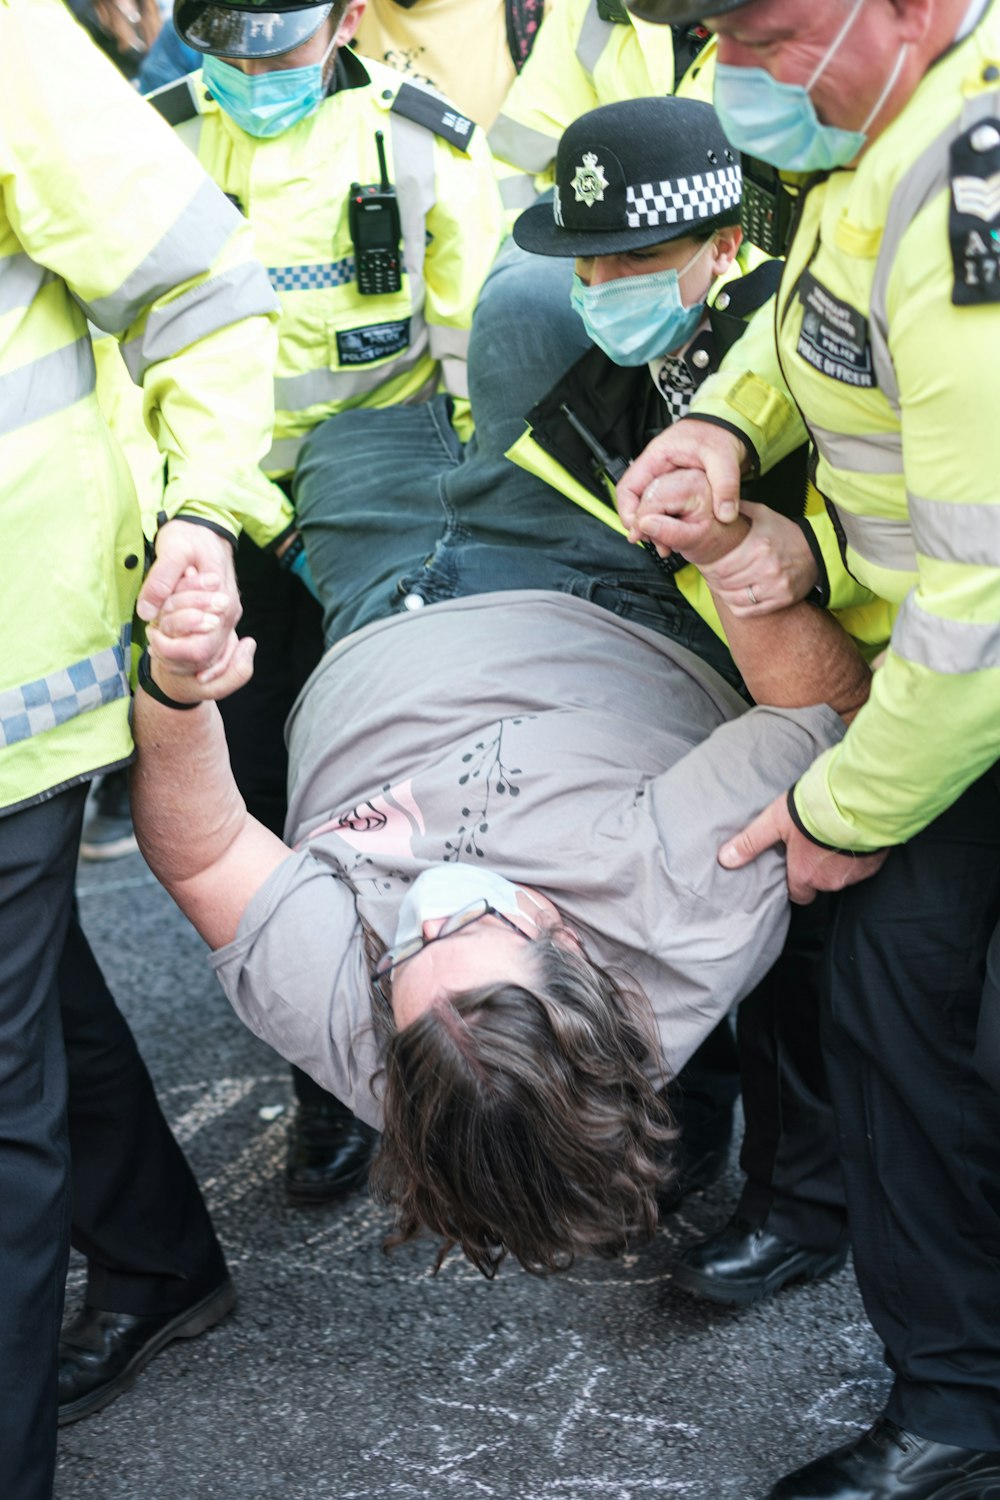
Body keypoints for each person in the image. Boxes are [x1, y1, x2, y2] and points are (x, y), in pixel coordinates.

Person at [619, 0, 1000, 1495]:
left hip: (956, 683)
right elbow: (824, 327)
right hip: (944, 688)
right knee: (896, 1028)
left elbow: (986, 593)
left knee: (920, 1020)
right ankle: (960, 1409)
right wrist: (722, 421)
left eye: (770, 37)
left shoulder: (970, 175)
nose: (740, 80)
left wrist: (847, 804)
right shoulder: (883, 127)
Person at [127, 0, 505, 1205]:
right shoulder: (154, 139)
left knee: (390, 796)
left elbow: (473, 364)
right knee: (254, 798)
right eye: (222, 43)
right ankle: (324, 1081)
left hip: (377, 512)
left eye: (276, 44)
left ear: (346, 19)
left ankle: (452, 1053)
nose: (248, 69)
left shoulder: (420, 142)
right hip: (217, 524)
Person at [0, 0, 283, 1493]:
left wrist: (203, 510)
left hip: (14, 675)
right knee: (33, 995)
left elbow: (204, 289)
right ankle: (162, 1259)